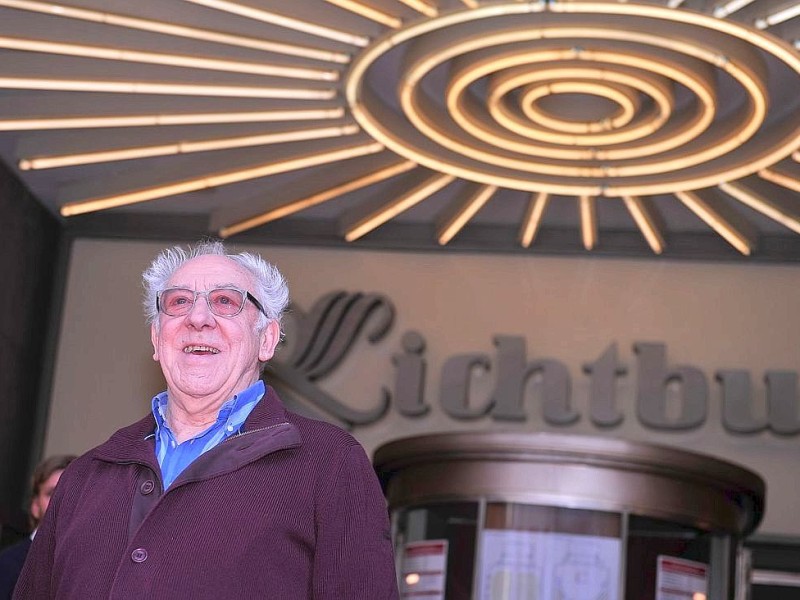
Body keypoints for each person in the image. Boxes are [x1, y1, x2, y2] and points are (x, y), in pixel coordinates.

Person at [15, 241, 399, 599]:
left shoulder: (329, 463)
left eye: (226, 301)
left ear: (267, 339)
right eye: (179, 302)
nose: (198, 318)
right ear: (156, 338)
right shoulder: (86, 476)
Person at [0, 454, 76, 599]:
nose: (62, 501)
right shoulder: (7, 565)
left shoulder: (95, 564)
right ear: (35, 506)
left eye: (72, 493)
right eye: (52, 493)